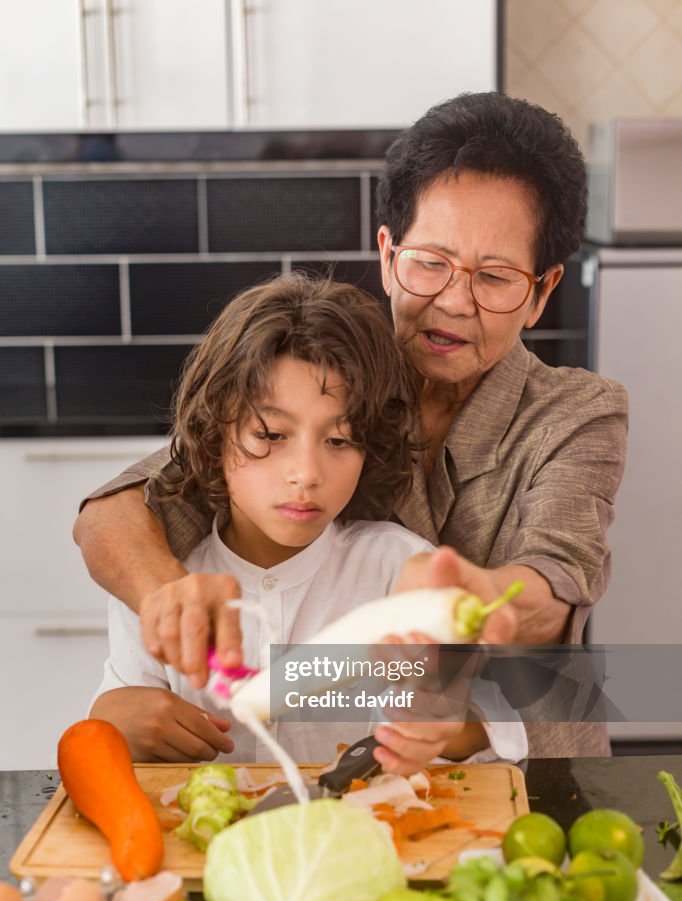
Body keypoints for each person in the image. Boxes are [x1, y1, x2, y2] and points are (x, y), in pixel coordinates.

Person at [75, 92, 628, 759]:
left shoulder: (577, 412)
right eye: (431, 261)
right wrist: (163, 603)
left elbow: (556, 583)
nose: (455, 300)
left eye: (495, 276)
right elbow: (122, 510)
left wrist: (472, 597)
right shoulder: (336, 372)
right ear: (389, 254)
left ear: (542, 291)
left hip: (536, 767)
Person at [89, 273, 524, 768]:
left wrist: (438, 718)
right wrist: (118, 720)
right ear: (213, 436)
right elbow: (116, 710)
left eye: (338, 440)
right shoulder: (166, 576)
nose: (306, 474)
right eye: (271, 434)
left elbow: (492, 731)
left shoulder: (401, 568)